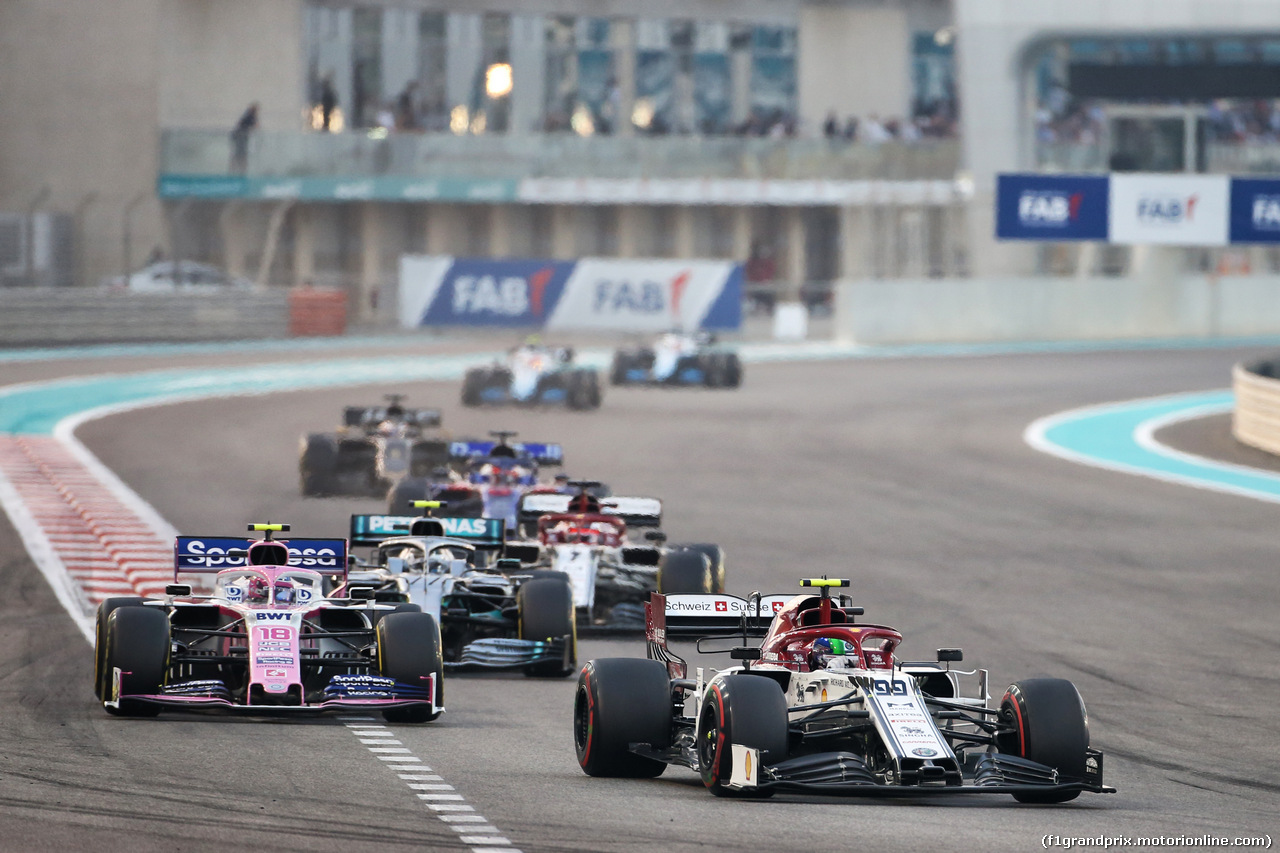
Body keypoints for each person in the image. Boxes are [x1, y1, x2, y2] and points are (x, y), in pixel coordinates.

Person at [229, 102, 258, 172]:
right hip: (241, 137)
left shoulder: (246, 116)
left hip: (240, 137)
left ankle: (236, 169)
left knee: (239, 154)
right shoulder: (250, 116)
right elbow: (256, 126)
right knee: (241, 155)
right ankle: (240, 169)